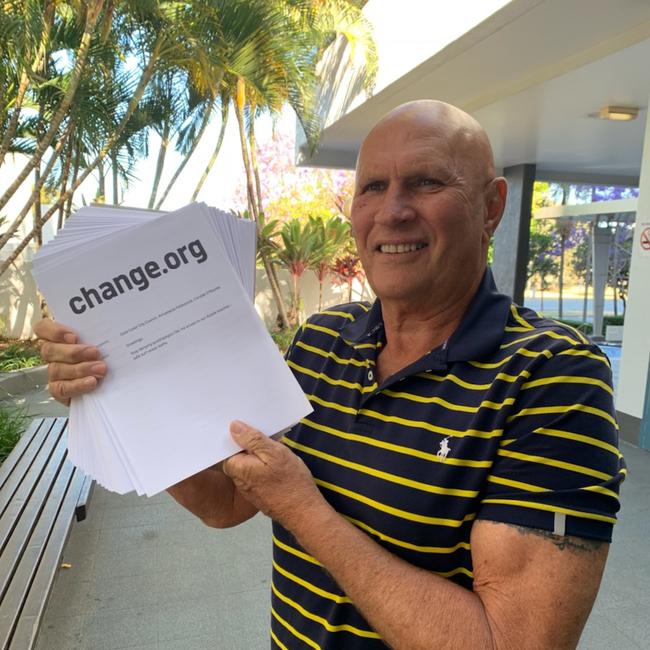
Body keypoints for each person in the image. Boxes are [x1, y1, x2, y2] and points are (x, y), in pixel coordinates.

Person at [35, 100, 625, 649]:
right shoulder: (322, 340)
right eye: (373, 186)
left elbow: (510, 642)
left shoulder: (551, 375)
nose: (393, 210)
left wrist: (305, 510)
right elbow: (224, 504)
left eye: (426, 181)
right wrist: (115, 388)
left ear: (491, 206)